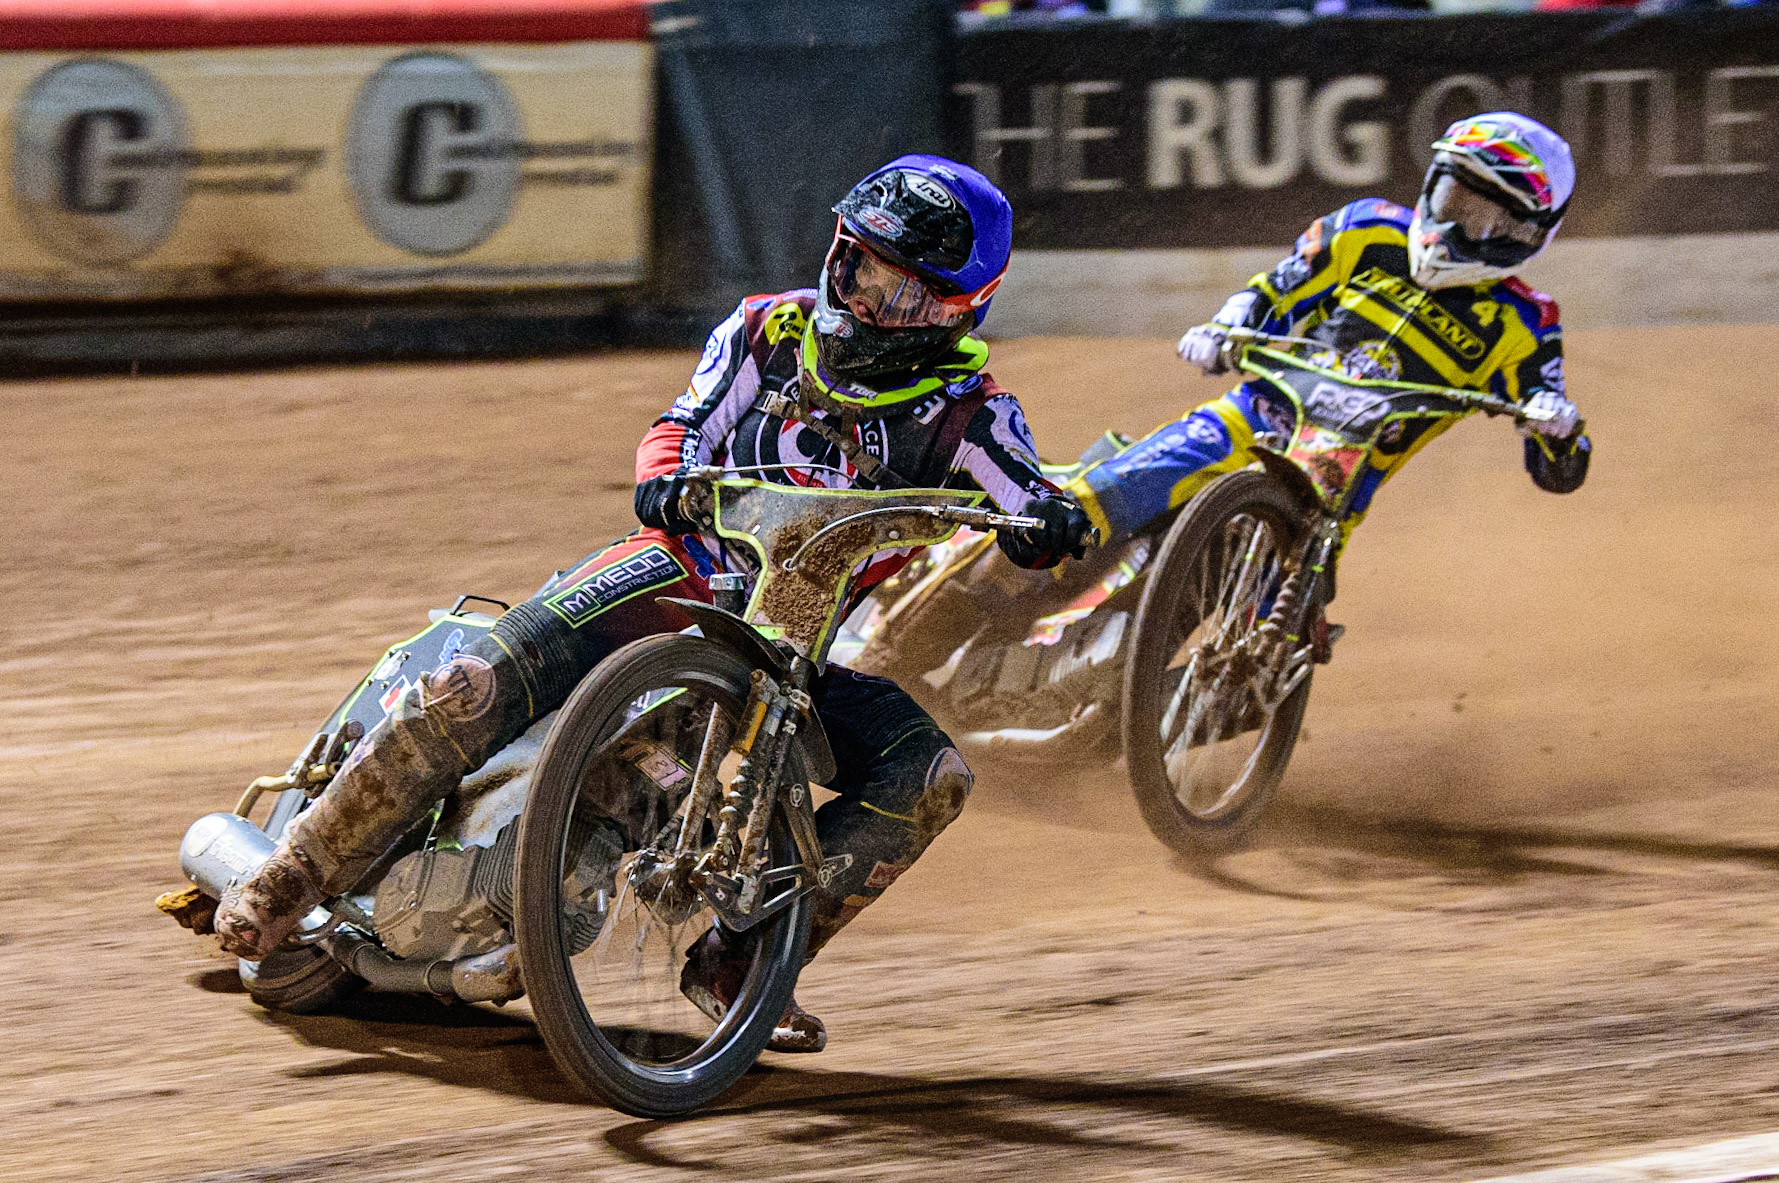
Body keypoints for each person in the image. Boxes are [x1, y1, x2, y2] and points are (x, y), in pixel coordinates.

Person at [208, 154, 1092, 1054]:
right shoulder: (767, 330)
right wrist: (663, 475)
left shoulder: (974, 416)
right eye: (861, 269)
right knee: (476, 683)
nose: (868, 303)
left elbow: (1032, 490)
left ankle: (740, 964)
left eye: (901, 296)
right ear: (838, 251)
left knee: (926, 773)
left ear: (957, 310)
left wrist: (1050, 523)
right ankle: (291, 875)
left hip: (785, 654)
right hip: (669, 570)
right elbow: (683, 421)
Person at [1074, 111, 1590, 553]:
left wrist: (1559, 431)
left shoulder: (1526, 322)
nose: (1456, 230)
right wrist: (1225, 328)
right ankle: (1004, 575)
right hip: (1255, 415)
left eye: (1483, 221)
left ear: (1528, 232)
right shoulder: (1367, 227)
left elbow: (1558, 472)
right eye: (1456, 203)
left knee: (1279, 629)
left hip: (1336, 487)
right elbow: (1276, 292)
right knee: (1107, 494)